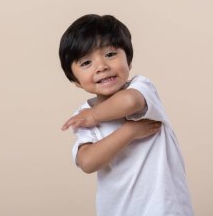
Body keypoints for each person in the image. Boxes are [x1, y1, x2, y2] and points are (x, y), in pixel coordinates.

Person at [59, 14, 194, 216]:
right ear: (76, 80)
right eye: (86, 63)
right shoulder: (82, 115)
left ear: (129, 61)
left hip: (165, 207)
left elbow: (129, 102)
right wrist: (129, 131)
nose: (101, 66)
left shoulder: (141, 87)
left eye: (110, 54)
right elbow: (87, 162)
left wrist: (95, 116)